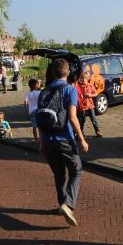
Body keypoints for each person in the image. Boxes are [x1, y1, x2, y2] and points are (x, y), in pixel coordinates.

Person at [38, 58, 89, 227]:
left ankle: (62, 204)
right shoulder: (70, 89)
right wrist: (82, 139)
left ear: (53, 73)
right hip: (65, 138)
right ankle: (68, 205)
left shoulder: (44, 91)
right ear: (68, 72)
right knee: (76, 170)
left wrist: (41, 143)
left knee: (59, 174)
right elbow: (73, 117)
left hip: (48, 140)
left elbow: (40, 118)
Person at [76, 72, 101, 138]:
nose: (82, 79)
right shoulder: (78, 87)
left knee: (93, 119)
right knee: (82, 120)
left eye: (83, 78)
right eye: (81, 78)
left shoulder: (90, 85)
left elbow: (95, 93)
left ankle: (98, 131)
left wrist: (90, 95)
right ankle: (81, 132)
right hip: (82, 106)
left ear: (87, 79)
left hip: (90, 105)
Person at [25, 78, 42, 142]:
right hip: (39, 110)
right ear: (36, 85)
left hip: (32, 111)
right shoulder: (39, 92)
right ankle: (41, 138)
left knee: (34, 126)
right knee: (40, 125)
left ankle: (35, 139)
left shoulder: (27, 94)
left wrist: (27, 111)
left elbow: (25, 103)